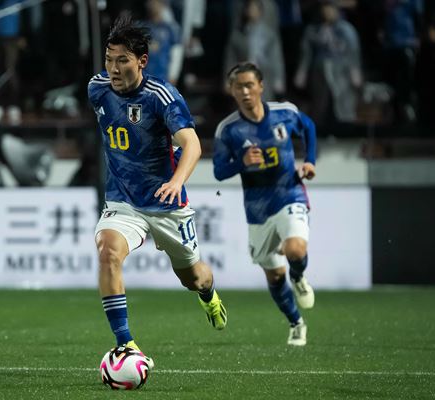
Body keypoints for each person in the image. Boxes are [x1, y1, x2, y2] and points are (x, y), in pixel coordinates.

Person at [87, 15, 227, 364]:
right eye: (109, 59)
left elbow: (192, 144)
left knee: (193, 278)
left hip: (167, 203)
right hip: (123, 201)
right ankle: (126, 344)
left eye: (122, 60)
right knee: (108, 252)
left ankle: (209, 295)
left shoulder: (161, 96)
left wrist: (176, 181)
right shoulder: (97, 88)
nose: (113, 69)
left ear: (142, 61)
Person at [213, 62, 316, 346]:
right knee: (274, 275)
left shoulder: (285, 113)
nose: (245, 91)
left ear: (261, 86)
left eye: (249, 85)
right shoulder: (228, 130)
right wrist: (241, 162)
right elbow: (219, 171)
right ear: (231, 91)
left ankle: (299, 277)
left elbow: (308, 126)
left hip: (289, 193)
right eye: (238, 87)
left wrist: (309, 161)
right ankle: (296, 323)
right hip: (257, 210)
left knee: (295, 249)